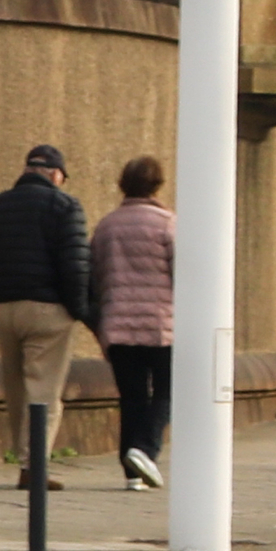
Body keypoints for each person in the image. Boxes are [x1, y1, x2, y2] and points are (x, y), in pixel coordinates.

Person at [0, 145, 91, 490]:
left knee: (16, 388)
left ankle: (23, 460)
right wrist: (80, 311)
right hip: (48, 310)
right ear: (55, 174)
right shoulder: (65, 206)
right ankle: (32, 466)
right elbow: (76, 266)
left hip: (3, 308)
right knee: (44, 390)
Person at [92, 156, 176, 490]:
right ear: (157, 185)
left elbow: (96, 273)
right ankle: (146, 451)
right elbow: (181, 272)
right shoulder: (167, 224)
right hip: (160, 325)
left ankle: (131, 471)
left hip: (118, 326)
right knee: (167, 391)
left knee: (131, 397)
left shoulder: (107, 225)